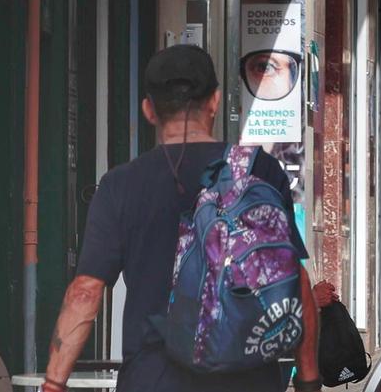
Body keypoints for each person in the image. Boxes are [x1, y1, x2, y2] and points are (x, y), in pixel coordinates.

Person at [44, 44, 322, 392]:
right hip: (248, 380)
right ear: (214, 101)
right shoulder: (259, 170)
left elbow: (86, 292)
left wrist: (54, 383)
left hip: (153, 380)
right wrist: (309, 380)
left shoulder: (121, 185)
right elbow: (295, 280)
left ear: (148, 110)